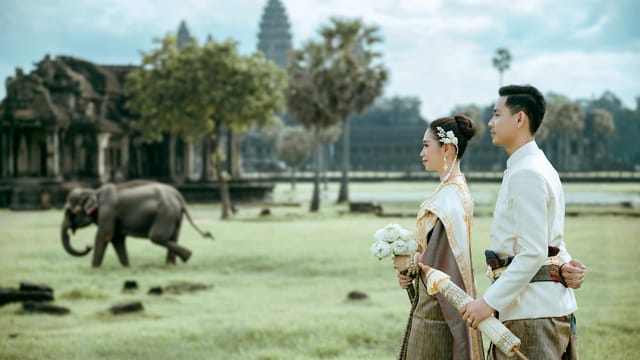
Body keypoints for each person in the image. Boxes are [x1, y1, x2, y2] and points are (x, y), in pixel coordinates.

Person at [460, 84, 586, 359]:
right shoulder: (537, 166)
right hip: (544, 309)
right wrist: (564, 263)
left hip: (531, 313)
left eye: (496, 114)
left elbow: (533, 251)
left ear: (519, 119)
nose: (491, 123)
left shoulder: (527, 173)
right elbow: (550, 240)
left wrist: (488, 303)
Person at [393, 115, 485, 359]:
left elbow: (439, 260)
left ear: (447, 148)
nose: (421, 152)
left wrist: (409, 263)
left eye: (426, 145)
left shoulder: (450, 199)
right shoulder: (452, 191)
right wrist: (410, 270)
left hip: (438, 308)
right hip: (434, 299)